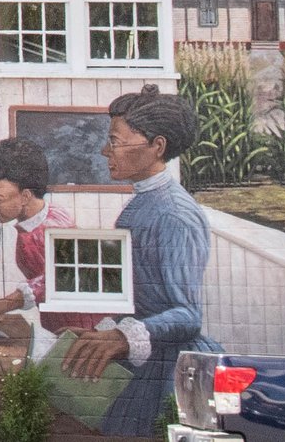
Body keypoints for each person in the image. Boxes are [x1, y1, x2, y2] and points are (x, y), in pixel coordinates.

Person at [57, 92, 217, 438]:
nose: (105, 151)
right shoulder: (141, 204)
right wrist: (106, 331)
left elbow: (187, 314)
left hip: (172, 370)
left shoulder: (174, 214)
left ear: (157, 146)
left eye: (115, 141)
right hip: (152, 361)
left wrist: (121, 336)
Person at [0, 137, 98, 335]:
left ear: (26, 196)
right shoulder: (31, 224)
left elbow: (61, 277)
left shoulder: (55, 227)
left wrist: (5, 304)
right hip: (57, 323)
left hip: (82, 327)